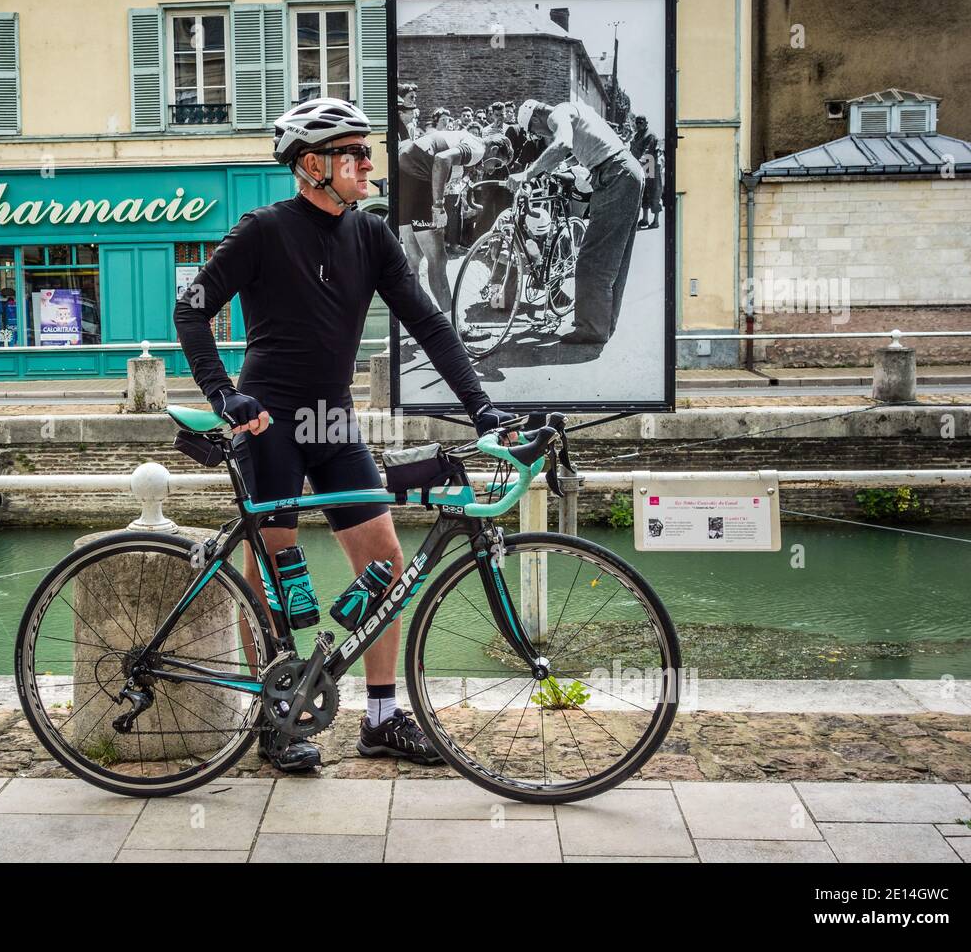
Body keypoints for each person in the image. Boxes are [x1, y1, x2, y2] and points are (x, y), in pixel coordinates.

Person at [173, 97, 516, 772]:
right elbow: (191, 310)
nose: (367, 162)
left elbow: (429, 324)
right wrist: (224, 394)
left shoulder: (372, 235)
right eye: (352, 153)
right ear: (311, 167)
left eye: (367, 150)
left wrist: (482, 409)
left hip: (332, 419)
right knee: (271, 577)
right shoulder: (262, 231)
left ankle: (382, 718)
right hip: (267, 419)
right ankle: (278, 721)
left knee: (386, 563)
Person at [508, 98, 643, 345]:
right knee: (614, 255)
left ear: (537, 118)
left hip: (615, 173)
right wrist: (559, 165)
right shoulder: (575, 108)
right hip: (623, 171)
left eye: (534, 130)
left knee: (593, 256)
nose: (538, 136)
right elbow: (583, 146)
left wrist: (527, 174)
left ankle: (592, 329)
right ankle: (601, 324)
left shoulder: (556, 115)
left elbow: (562, 143)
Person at [397, 128, 510, 339]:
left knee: (413, 258)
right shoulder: (479, 147)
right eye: (497, 164)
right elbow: (441, 159)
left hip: (403, 169)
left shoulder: (464, 139)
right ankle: (454, 327)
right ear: (493, 149)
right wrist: (438, 207)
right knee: (438, 259)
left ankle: (414, 319)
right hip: (418, 174)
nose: (493, 171)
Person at [629, 115, 662, 230]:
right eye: (637, 123)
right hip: (641, 167)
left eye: (641, 123)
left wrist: (636, 163)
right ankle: (645, 219)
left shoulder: (650, 135)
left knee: (654, 194)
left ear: (646, 123)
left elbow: (647, 153)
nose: (638, 125)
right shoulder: (637, 135)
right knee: (643, 194)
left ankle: (656, 220)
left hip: (651, 167)